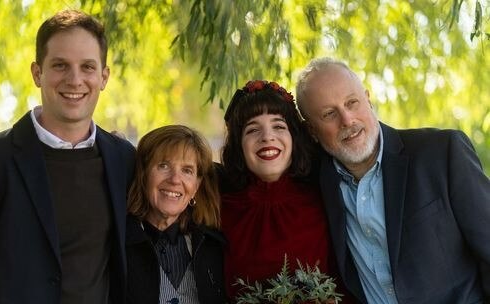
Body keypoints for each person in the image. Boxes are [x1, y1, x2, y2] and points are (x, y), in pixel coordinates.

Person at [0, 10, 136, 304]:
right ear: (38, 73)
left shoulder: (124, 160)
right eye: (60, 65)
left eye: (87, 67)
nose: (75, 80)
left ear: (104, 77)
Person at [295, 57, 490, 303]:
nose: (347, 120)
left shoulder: (441, 154)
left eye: (352, 102)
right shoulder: (316, 186)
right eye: (329, 114)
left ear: (368, 99)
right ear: (311, 130)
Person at [220, 80, 340, 301]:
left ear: (294, 138)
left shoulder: (327, 201)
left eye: (278, 126)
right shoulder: (219, 212)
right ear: (239, 145)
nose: (267, 137)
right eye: (253, 129)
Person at [125, 125, 227, 304]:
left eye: (187, 170)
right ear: (143, 174)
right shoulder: (119, 244)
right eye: (163, 165)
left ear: (196, 186)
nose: (174, 179)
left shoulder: (214, 246)